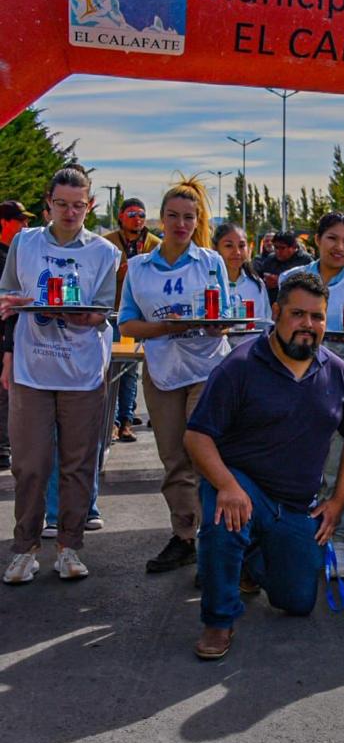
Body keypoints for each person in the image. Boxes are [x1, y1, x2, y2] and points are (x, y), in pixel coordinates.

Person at [185, 273, 344, 659]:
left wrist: (337, 501)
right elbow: (196, 437)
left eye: (317, 317)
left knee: (298, 602)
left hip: (297, 505)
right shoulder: (239, 366)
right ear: (276, 312)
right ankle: (218, 620)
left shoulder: (338, 372)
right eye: (298, 314)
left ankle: (252, 560)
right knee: (225, 516)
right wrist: (228, 486)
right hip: (243, 485)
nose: (308, 325)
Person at [0, 166, 119, 584]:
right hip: (33, 370)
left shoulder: (104, 252)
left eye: (79, 205)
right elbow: (7, 294)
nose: (70, 213)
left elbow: (105, 311)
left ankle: (69, 547)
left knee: (77, 464)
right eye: (62, 204)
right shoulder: (25, 242)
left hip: (82, 373)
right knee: (30, 464)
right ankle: (24, 549)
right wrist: (12, 318)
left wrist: (85, 316)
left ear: (90, 205)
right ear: (47, 203)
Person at [118, 176, 231, 574]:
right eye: (172, 216)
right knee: (173, 458)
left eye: (188, 217)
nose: (180, 224)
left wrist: (215, 326)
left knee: (206, 456)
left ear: (196, 221)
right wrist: (168, 328)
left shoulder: (211, 261)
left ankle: (215, 541)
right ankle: (184, 536)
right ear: (159, 220)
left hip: (207, 368)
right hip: (163, 370)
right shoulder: (139, 268)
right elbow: (127, 325)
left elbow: (223, 318)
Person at [280, 212, 344, 578]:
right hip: (298, 382)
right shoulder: (294, 278)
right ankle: (298, 535)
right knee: (301, 465)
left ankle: (339, 538)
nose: (340, 247)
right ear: (317, 240)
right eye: (333, 238)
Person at [104, 197, 161, 442]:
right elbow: (98, 279)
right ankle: (112, 422)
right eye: (132, 214)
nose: (137, 218)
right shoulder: (106, 244)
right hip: (113, 314)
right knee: (109, 369)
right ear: (120, 216)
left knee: (130, 372)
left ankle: (126, 421)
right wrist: (119, 273)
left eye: (141, 214)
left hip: (141, 319)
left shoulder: (155, 245)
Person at [0, 200, 34, 470]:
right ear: (3, 222)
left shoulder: (19, 254)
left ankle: (3, 446)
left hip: (9, 334)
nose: (26, 225)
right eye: (20, 220)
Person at [213, 222, 271, 338]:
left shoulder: (256, 285)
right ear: (215, 248)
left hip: (250, 352)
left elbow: (265, 323)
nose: (237, 252)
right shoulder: (209, 286)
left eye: (241, 246)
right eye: (229, 246)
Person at [256, 231, 312, 304]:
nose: (278, 251)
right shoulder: (270, 259)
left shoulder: (306, 261)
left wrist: (281, 281)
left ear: (293, 247)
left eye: (282, 248)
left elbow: (312, 285)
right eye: (276, 247)